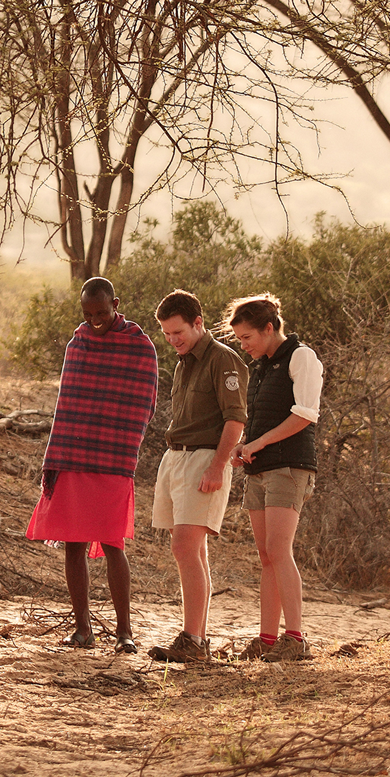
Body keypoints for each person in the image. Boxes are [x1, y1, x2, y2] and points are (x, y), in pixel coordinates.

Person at [26, 277, 159, 653]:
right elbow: (68, 403)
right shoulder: (78, 343)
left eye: (102, 312)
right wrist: (60, 450)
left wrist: (119, 437)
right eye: (88, 314)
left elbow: (143, 404)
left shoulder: (139, 346)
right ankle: (83, 630)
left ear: (116, 303)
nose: (95, 320)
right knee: (74, 544)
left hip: (113, 457)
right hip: (74, 454)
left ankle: (124, 632)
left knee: (113, 544)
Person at [148, 289, 248, 663]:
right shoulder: (182, 362)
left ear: (198, 323)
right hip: (176, 457)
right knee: (192, 550)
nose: (173, 340)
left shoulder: (224, 360)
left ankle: (192, 638)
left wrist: (217, 466)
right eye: (167, 334)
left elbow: (235, 419)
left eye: (179, 332)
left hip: (204, 458)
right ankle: (197, 641)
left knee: (185, 548)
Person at [225, 293, 323, 662]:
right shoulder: (263, 366)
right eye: (239, 339)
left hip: (290, 466)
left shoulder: (302, 357)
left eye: (247, 337)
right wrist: (244, 446)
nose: (243, 345)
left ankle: (295, 638)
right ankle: (267, 639)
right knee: (266, 554)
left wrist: (259, 443)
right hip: (260, 468)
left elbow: (305, 415)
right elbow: (261, 417)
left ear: (269, 328)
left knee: (280, 550)